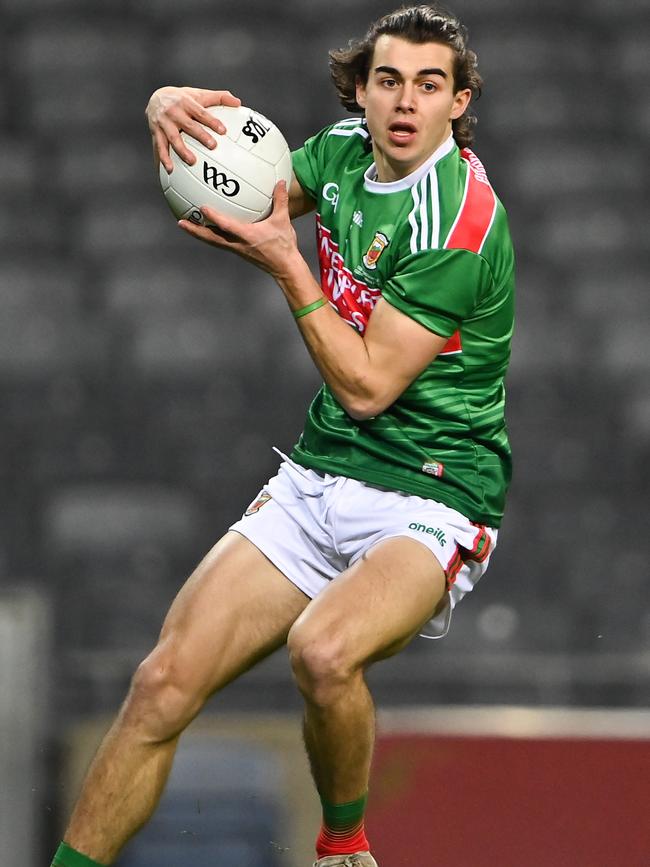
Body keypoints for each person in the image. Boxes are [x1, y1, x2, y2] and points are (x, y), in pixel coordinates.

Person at [50, 5, 514, 867]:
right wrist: (169, 114)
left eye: (429, 84)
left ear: (459, 102)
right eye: (388, 80)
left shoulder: (459, 222)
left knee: (323, 649)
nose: (406, 102)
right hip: (321, 475)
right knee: (158, 687)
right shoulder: (342, 152)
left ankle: (344, 845)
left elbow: (370, 386)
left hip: (433, 491)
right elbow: (249, 200)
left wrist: (289, 263)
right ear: (360, 90)